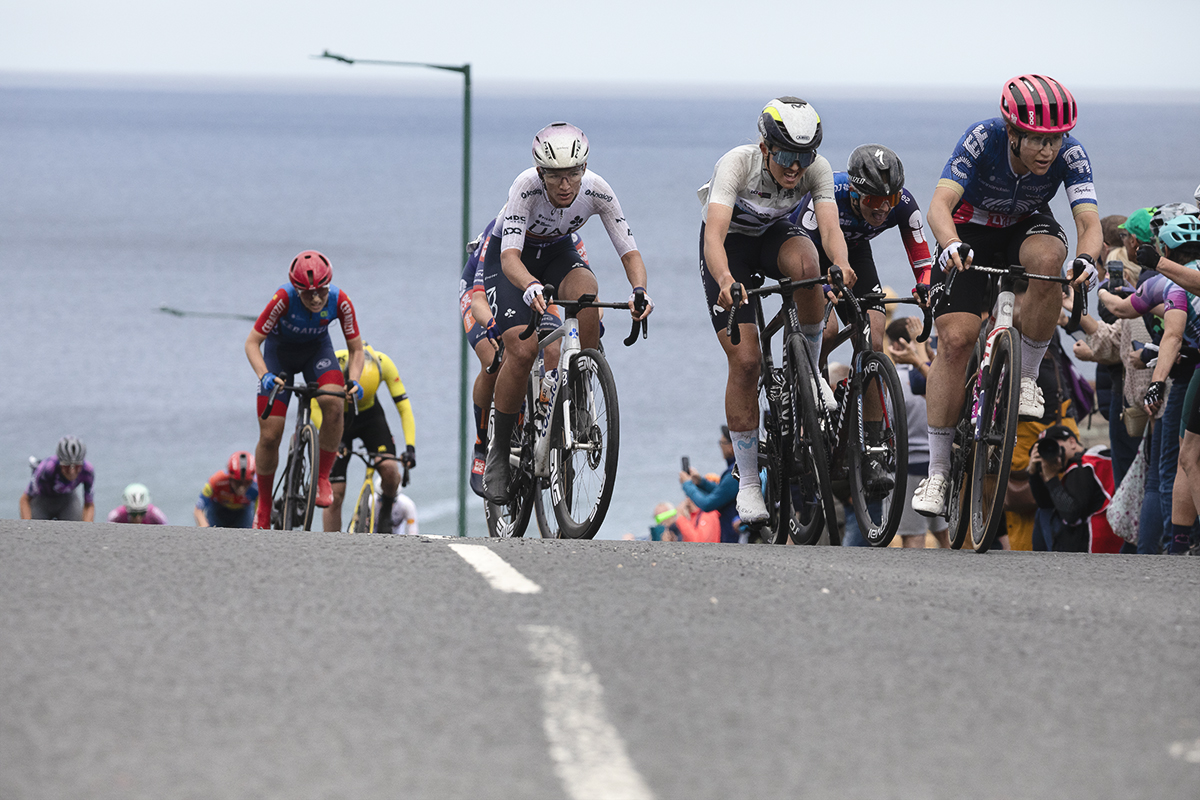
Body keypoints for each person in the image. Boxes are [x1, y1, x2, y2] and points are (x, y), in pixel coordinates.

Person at [914, 74, 1101, 517]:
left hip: (1025, 224)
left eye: (1054, 140)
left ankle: (1027, 378)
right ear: (1012, 132)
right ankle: (938, 474)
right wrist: (951, 244)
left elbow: (1088, 223)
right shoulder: (982, 138)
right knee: (957, 340)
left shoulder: (1071, 154)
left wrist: (1088, 258)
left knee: (1051, 257)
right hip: (969, 230)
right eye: (1037, 140)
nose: (1047, 151)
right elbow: (939, 206)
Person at [699, 96, 855, 525]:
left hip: (772, 237)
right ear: (766, 147)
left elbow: (829, 229)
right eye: (786, 155)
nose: (795, 167)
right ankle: (748, 482)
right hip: (729, 249)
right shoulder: (737, 164)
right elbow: (713, 237)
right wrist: (727, 280)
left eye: (804, 156)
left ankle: (808, 368)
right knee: (746, 362)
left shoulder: (815, 170)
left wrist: (840, 264)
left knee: (808, 263)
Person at [481, 122, 653, 503]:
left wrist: (639, 290)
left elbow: (629, 250)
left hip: (558, 252)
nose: (565, 185)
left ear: (584, 169)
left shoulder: (597, 190)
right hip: (512, 260)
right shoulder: (524, 187)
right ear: (541, 172)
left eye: (573, 174)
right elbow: (509, 256)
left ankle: (581, 381)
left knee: (587, 294)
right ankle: (499, 451)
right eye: (556, 176)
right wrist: (528, 286)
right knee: (523, 351)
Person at [462, 218, 583, 497]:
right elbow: (478, 300)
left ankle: (546, 422)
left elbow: (584, 297)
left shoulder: (567, 236)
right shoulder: (499, 234)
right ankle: (483, 446)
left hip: (538, 288)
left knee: (552, 347)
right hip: (486, 289)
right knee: (495, 357)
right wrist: (492, 325)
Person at [246, 250, 364, 529]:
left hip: (317, 354)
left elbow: (356, 348)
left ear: (329, 285)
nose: (314, 298)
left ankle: (322, 478)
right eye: (306, 293)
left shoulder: (340, 301)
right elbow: (252, 343)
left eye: (320, 291)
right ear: (296, 289)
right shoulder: (283, 298)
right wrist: (264, 375)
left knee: (334, 405)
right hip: (279, 356)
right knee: (271, 434)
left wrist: (355, 380)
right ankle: (263, 507)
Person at [790, 144, 933, 356]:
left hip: (854, 252)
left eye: (891, 199)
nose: (884, 209)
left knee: (874, 343)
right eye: (874, 200)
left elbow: (923, 262)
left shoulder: (904, 205)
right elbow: (800, 250)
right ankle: (811, 383)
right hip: (808, 251)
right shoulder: (831, 192)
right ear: (854, 194)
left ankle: (858, 384)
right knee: (827, 331)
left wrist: (926, 286)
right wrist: (821, 286)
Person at [1135, 213, 1200, 554]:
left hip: (1189, 371)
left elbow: (1171, 335)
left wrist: (1156, 384)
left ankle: (1178, 543)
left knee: (1187, 458)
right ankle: (1179, 543)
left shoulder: (1172, 283)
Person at [314, 344, 416, 534]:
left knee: (390, 470)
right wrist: (329, 435)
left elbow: (404, 408)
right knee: (335, 493)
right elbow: (314, 403)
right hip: (338, 418)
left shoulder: (384, 363)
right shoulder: (335, 362)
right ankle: (332, 542)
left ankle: (385, 508)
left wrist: (410, 447)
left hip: (371, 417)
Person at [882, 316, 950, 548]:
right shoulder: (940, 374)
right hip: (937, 462)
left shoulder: (893, 380)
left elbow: (886, 422)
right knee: (945, 533)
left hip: (906, 464)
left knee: (913, 534)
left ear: (897, 345)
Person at [1028, 425, 1121, 553]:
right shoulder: (1097, 458)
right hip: (1114, 538)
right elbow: (1045, 502)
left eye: (1052, 445)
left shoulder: (1081, 466)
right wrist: (1034, 474)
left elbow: (1071, 514)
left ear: (1072, 442)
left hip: (1091, 544)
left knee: (1043, 513)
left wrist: (1051, 478)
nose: (1049, 452)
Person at [679, 427, 742, 543]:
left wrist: (687, 485)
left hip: (734, 536)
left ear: (731, 447)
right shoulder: (737, 470)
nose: (720, 446)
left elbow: (708, 504)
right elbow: (723, 493)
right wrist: (700, 482)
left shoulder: (734, 474)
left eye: (721, 443)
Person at [20, 436, 95, 521]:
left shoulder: (87, 470)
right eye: (67, 466)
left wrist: (86, 530)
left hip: (67, 500)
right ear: (60, 463)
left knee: (76, 528)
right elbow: (25, 499)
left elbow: (89, 505)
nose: (72, 471)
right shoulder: (46, 468)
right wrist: (27, 527)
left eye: (77, 466)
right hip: (42, 499)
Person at [194, 451, 260, 528]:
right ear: (230, 478)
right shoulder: (216, 482)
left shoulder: (257, 488)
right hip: (218, 511)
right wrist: (204, 527)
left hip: (242, 512)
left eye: (247, 482)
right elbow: (198, 509)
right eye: (238, 482)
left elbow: (259, 515)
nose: (242, 488)